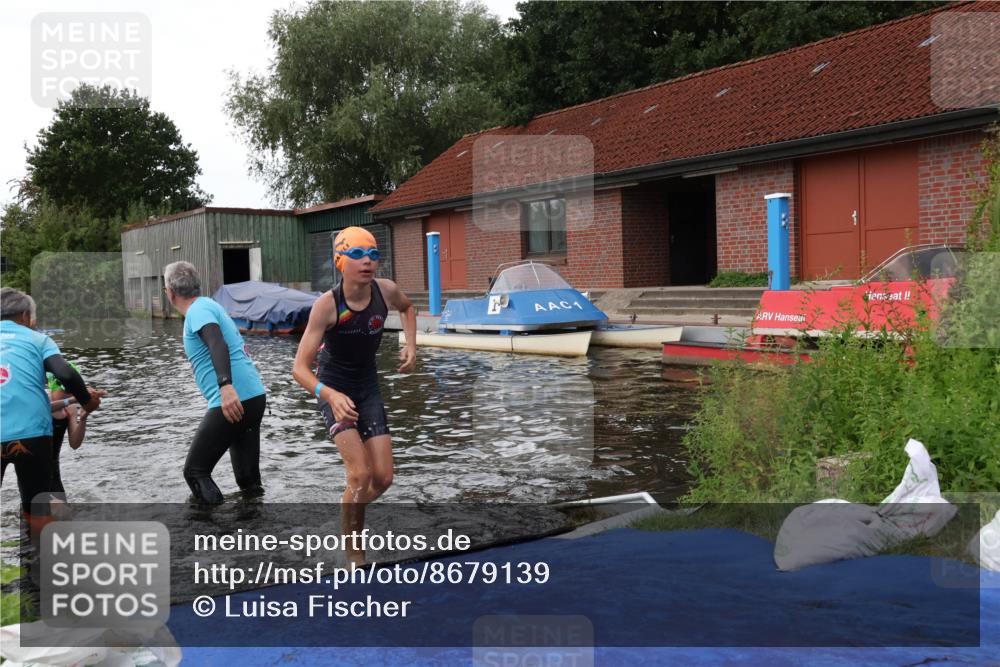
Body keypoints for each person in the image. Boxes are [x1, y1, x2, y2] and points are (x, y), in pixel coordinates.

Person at [292, 226, 417, 567]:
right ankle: (354, 555)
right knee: (360, 476)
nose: (368, 262)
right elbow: (300, 369)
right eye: (358, 255)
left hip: (367, 388)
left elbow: (408, 308)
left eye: (374, 255)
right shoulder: (327, 306)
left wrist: (410, 345)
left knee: (384, 478)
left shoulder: (386, 291)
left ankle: (348, 511)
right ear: (339, 262)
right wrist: (329, 395)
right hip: (335, 390)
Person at [0, 288, 101, 537]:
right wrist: (87, 403)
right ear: (26, 316)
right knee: (37, 513)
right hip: (32, 435)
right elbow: (65, 373)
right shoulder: (38, 340)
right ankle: (36, 568)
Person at [164, 261, 267, 505]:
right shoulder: (208, 305)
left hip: (234, 397)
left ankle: (212, 532)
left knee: (195, 472)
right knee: (247, 480)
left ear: (170, 291)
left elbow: (216, 341)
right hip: (252, 398)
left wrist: (225, 386)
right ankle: (257, 528)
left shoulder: (197, 311)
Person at [47, 362, 104, 503]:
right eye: (65, 390)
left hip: (53, 467)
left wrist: (83, 418)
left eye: (72, 391)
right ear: (51, 386)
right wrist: (73, 399)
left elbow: (75, 444)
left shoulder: (70, 409)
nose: (68, 395)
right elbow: (43, 409)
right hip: (33, 465)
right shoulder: (42, 398)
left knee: (63, 514)